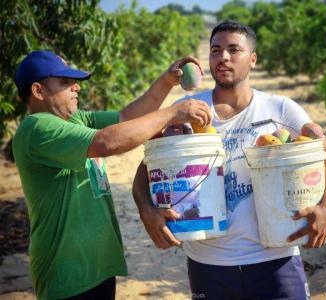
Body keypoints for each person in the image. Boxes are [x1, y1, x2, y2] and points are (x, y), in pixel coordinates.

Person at [132, 21, 326, 300]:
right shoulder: (187, 111)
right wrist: (147, 211)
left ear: (253, 59)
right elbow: (145, 169)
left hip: (276, 260)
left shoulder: (279, 109)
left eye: (234, 50)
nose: (223, 57)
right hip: (208, 265)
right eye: (216, 50)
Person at [12, 50, 212, 300]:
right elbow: (108, 142)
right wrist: (172, 113)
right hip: (67, 272)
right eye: (65, 82)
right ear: (38, 91)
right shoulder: (37, 127)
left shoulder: (76, 120)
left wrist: (166, 82)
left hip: (98, 267)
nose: (77, 88)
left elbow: (126, 118)